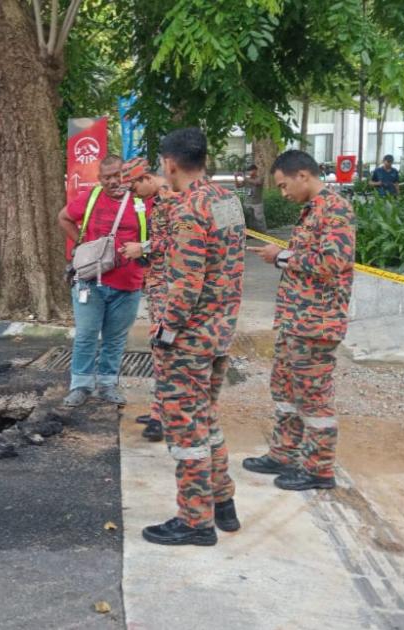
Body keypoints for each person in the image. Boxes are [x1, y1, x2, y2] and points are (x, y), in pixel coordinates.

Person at [141, 127, 244, 547]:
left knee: (185, 431)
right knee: (207, 420)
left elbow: (186, 282)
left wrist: (165, 331)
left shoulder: (188, 208)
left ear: (169, 164)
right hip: (220, 332)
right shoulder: (226, 201)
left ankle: (195, 521)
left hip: (188, 339)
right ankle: (223, 504)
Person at [244, 150, 355, 491]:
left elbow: (333, 261)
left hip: (317, 323)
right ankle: (285, 452)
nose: (283, 193)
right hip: (296, 320)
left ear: (303, 175)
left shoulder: (334, 209)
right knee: (285, 390)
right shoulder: (311, 212)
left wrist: (281, 256)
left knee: (313, 398)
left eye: (283, 185)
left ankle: (319, 469)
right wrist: (284, 258)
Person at [56, 155, 151, 408]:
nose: (113, 181)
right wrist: (81, 244)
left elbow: (157, 236)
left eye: (118, 175)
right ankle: (80, 385)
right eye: (107, 177)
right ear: (100, 179)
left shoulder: (141, 201)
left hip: (129, 282)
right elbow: (63, 217)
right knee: (86, 334)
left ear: (126, 175)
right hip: (90, 281)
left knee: (116, 338)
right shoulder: (91, 198)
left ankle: (107, 384)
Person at [117, 158, 174, 442]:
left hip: (172, 287)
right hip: (158, 284)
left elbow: (180, 239)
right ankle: (157, 409)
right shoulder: (157, 200)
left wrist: (143, 247)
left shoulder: (173, 199)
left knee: (166, 349)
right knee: (158, 349)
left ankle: (165, 417)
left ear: (147, 178)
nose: (131, 193)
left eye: (133, 186)